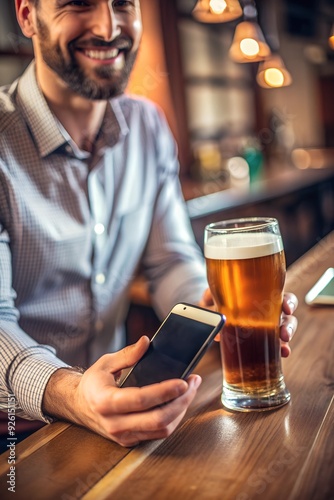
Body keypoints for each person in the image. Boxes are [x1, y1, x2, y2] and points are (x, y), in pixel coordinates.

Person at [0, 0, 298, 449]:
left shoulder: (147, 126)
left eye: (122, 3)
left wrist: (214, 312)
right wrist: (71, 393)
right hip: (13, 432)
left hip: (115, 412)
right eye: (78, 4)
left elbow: (169, 261)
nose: (107, 26)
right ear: (27, 16)